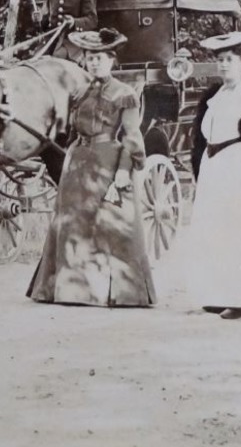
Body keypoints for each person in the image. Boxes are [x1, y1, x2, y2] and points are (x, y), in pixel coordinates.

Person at [28, 28, 156, 308]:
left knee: (106, 224)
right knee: (72, 224)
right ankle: (70, 290)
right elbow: (71, 129)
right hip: (78, 163)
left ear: (111, 60)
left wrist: (124, 170)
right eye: (89, 58)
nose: (93, 63)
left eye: (99, 58)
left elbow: (132, 136)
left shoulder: (125, 94)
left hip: (108, 161)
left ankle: (115, 291)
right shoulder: (80, 92)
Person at [184, 31, 241, 319]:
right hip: (214, 166)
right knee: (214, 228)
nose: (224, 66)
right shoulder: (215, 96)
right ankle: (218, 293)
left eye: (230, 60)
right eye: (221, 61)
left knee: (238, 228)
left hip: (236, 165)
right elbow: (205, 132)